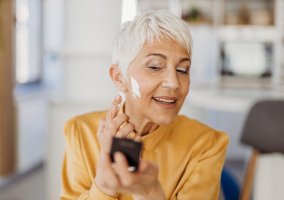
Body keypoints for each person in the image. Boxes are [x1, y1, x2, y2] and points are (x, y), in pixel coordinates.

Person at [60, 10, 229, 200]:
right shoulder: (80, 132)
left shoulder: (206, 145)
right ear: (119, 78)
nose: (174, 82)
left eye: (183, 70)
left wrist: (149, 193)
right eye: (155, 66)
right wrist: (104, 185)